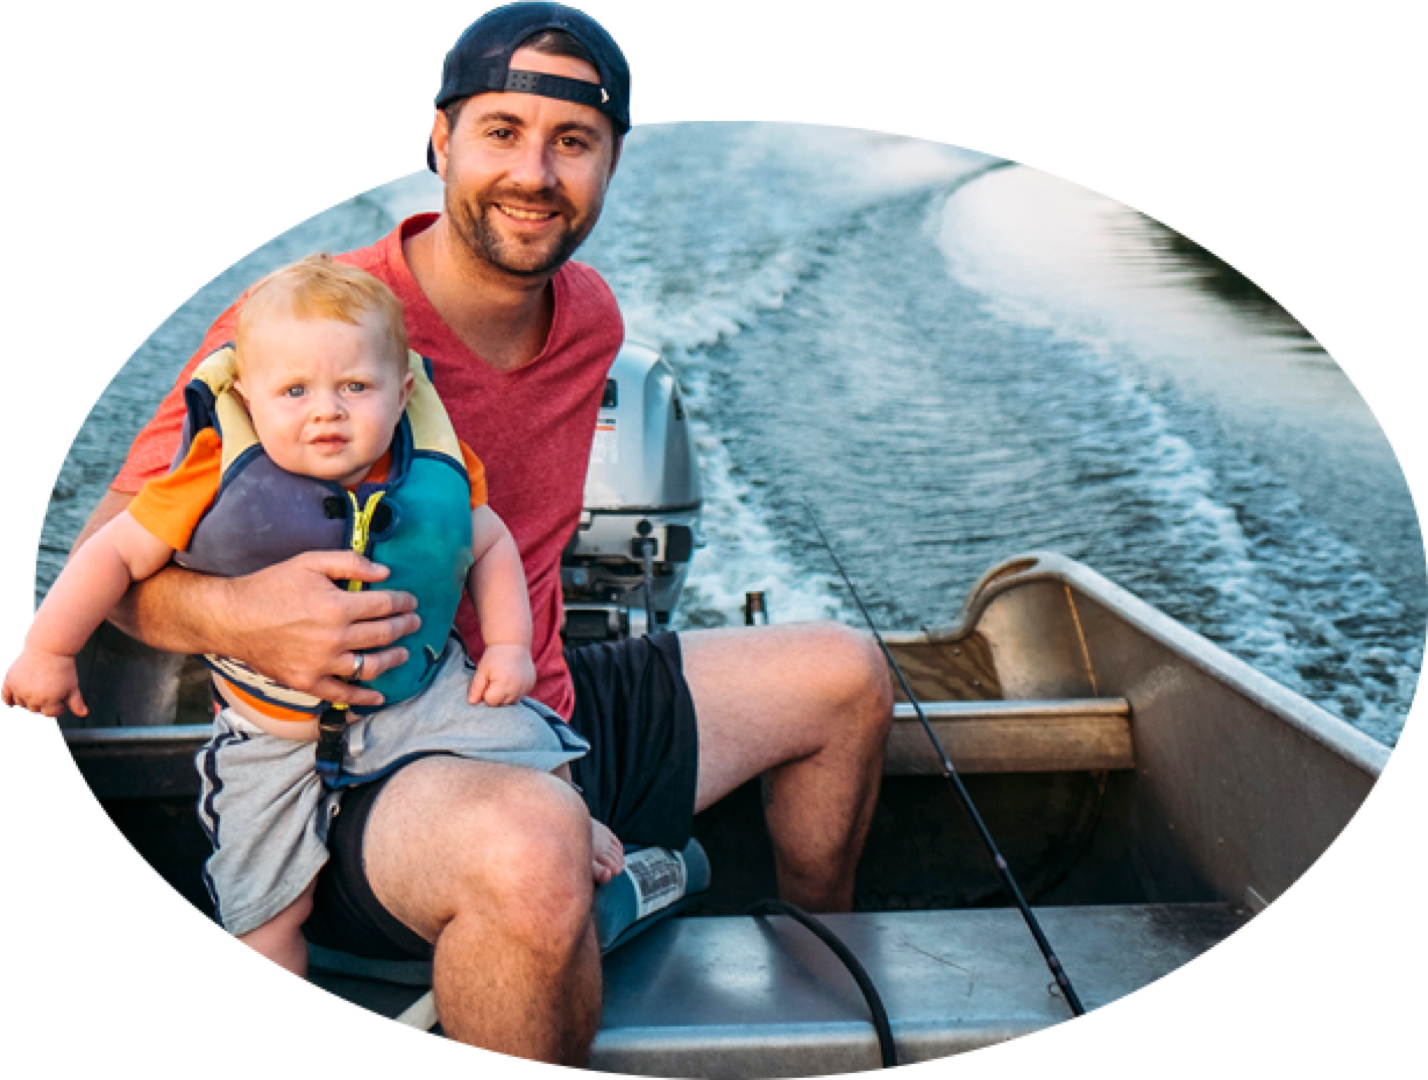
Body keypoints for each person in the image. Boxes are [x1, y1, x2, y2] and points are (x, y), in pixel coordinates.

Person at [71, 1, 893, 1064]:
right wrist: (241, 614)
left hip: (537, 709)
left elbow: (512, 547)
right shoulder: (309, 334)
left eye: (573, 143)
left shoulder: (591, 317)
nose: (534, 173)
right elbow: (110, 553)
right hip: (357, 765)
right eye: (501, 132)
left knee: (842, 675)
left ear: (612, 161)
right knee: (528, 844)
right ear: (440, 139)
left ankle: (823, 993)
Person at [2, 253, 621, 976]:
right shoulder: (210, 469)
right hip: (274, 732)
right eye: (293, 390)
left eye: (355, 386)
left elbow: (489, 542)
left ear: (404, 391)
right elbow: (111, 556)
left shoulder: (438, 466)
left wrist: (511, 645)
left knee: (538, 745)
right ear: (249, 398)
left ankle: (579, 824)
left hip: (422, 697)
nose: (326, 409)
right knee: (262, 913)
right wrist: (49, 651)